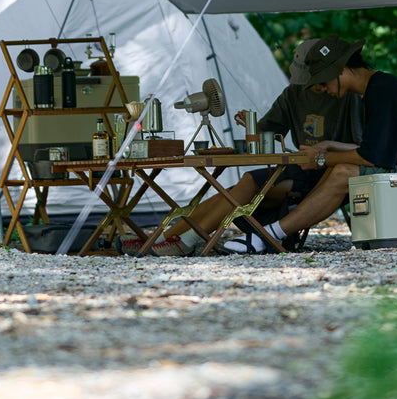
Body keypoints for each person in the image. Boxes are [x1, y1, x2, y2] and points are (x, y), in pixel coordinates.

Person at [220, 34, 397, 254]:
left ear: (342, 70)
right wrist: (329, 148)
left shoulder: (383, 92)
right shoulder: (378, 88)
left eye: (323, 82)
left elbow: (372, 157)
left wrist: (320, 159)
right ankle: (280, 232)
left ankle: (268, 235)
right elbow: (378, 149)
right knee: (338, 168)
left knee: (343, 172)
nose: (322, 89)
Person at [127, 38, 361, 257]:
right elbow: (268, 132)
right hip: (297, 167)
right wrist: (251, 126)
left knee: (244, 185)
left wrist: (326, 151)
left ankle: (180, 240)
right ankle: (165, 239)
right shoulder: (294, 94)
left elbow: (362, 147)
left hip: (325, 173)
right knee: (235, 190)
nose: (318, 87)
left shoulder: (349, 95)